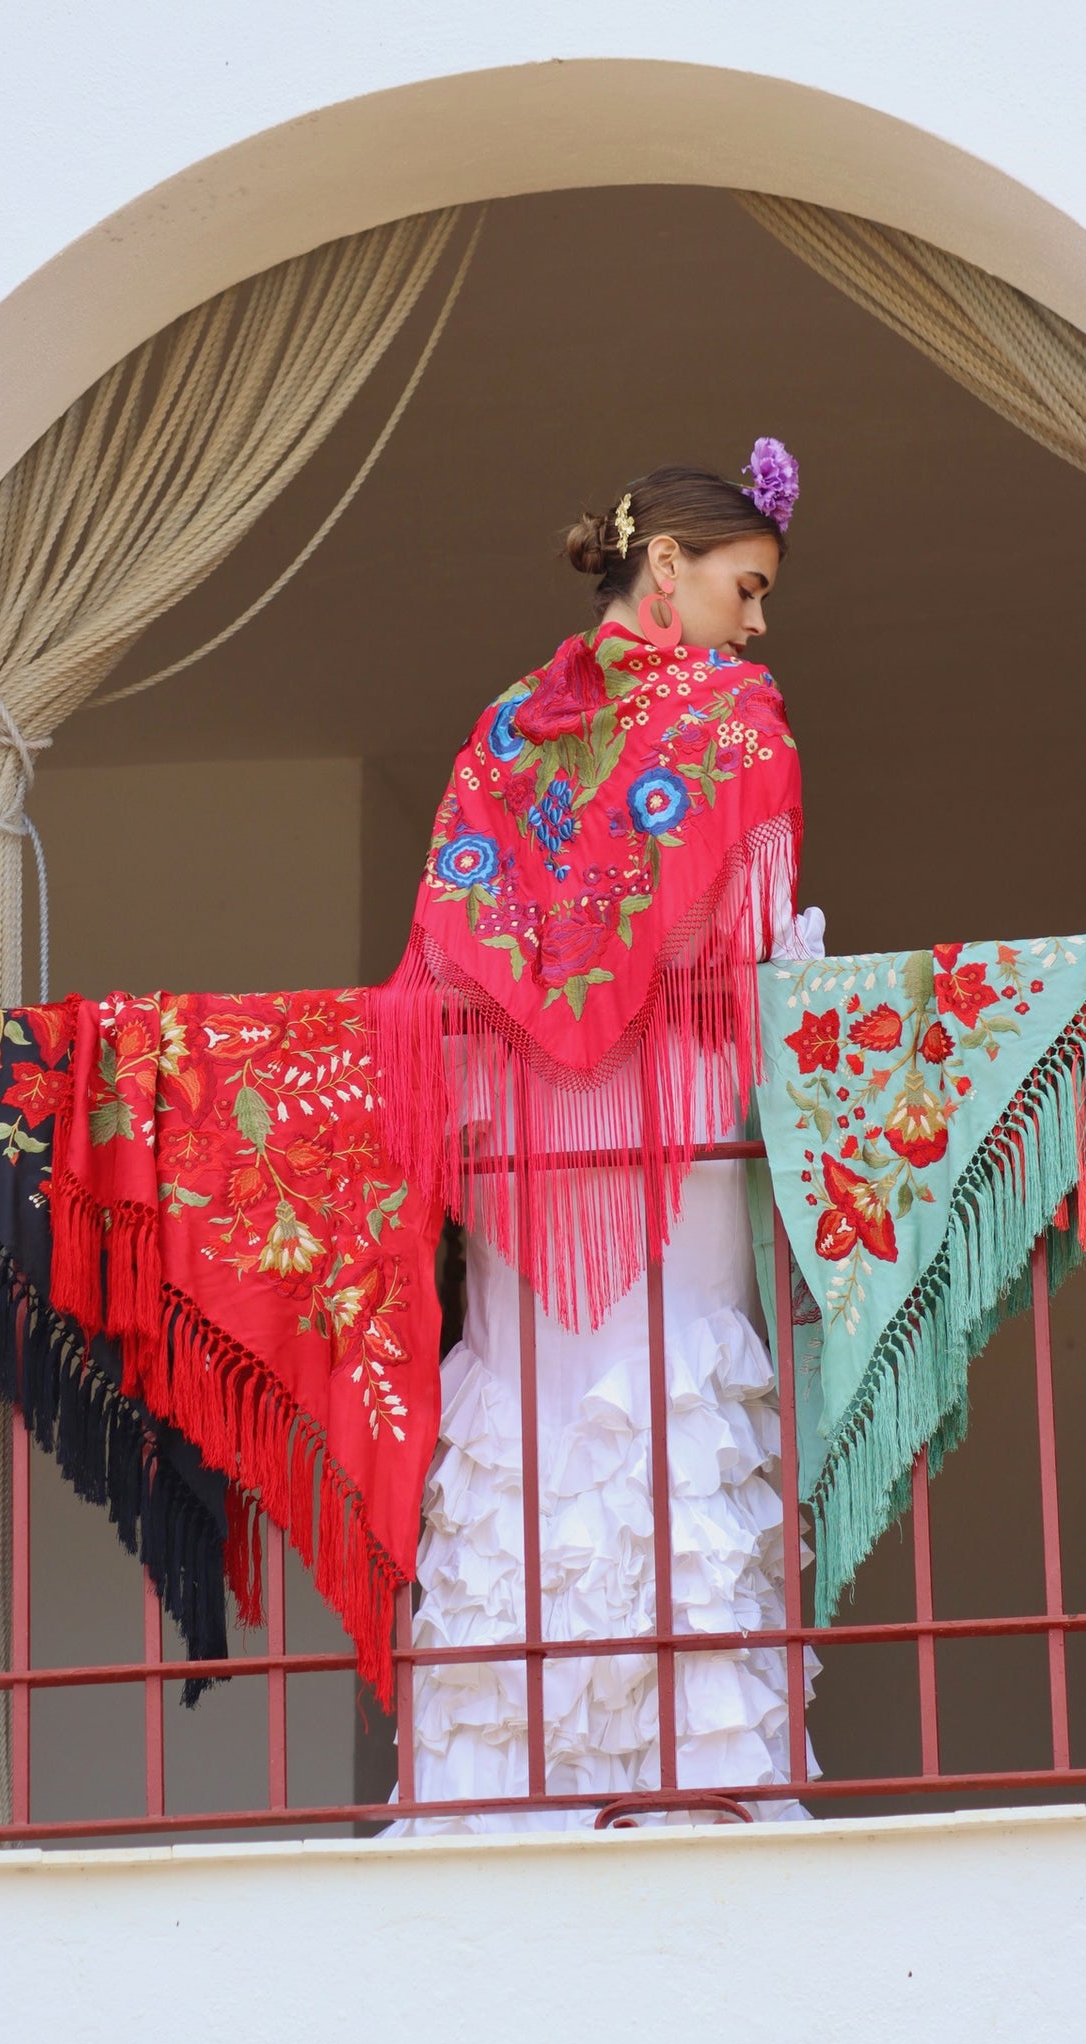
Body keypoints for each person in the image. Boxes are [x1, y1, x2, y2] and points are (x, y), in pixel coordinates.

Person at [375, 449, 823, 1832]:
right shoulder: (734, 720)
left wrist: (560, 1004)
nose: (757, 624)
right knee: (676, 1400)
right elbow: (741, 937)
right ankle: (698, 1773)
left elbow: (455, 938)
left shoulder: (508, 729)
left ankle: (500, 1785)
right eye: (747, 586)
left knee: (529, 1414)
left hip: (523, 1139)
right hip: (674, 1127)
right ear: (668, 564)